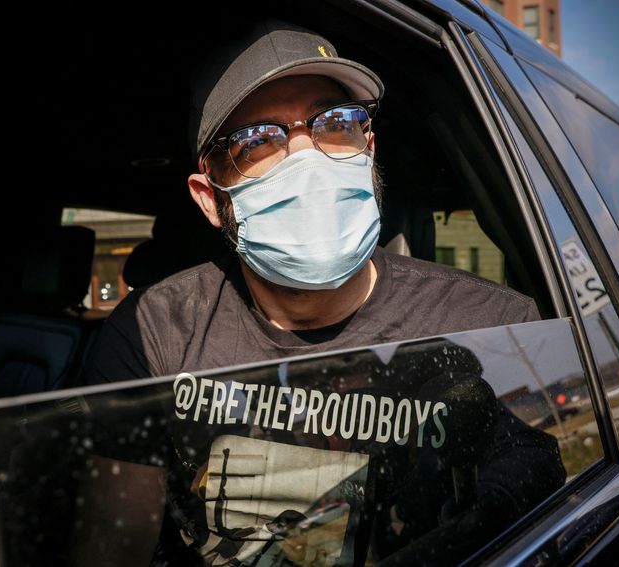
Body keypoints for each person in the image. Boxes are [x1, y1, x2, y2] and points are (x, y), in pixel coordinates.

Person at [79, 19, 563, 566]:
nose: (307, 156)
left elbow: (535, 488)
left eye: (336, 122)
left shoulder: (493, 324)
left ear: (369, 150)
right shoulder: (151, 335)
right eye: (257, 139)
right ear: (211, 199)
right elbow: (112, 546)